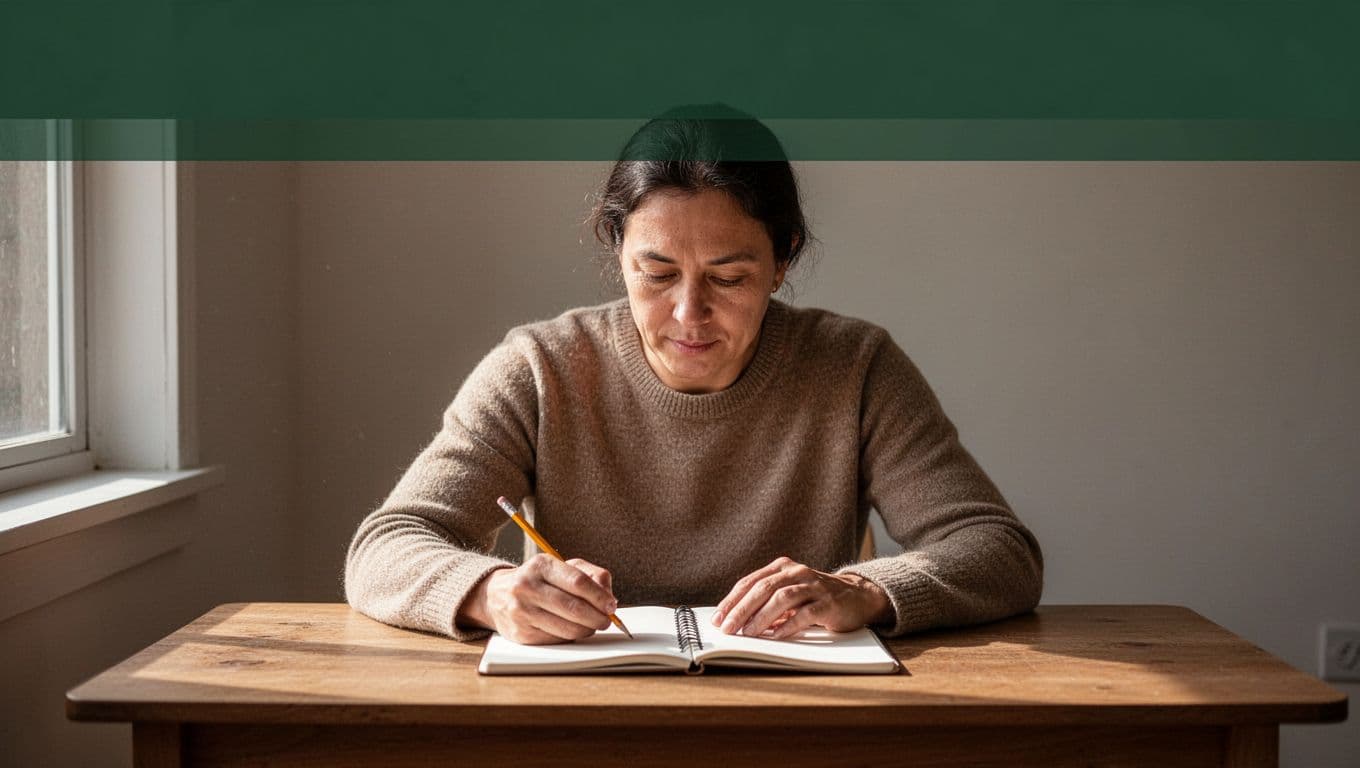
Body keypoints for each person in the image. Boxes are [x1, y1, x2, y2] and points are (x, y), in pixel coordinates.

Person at [344, 106, 1043, 645]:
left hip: (793, 712)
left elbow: (999, 551)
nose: (689, 313)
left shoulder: (854, 367)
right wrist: (492, 592)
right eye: (657, 274)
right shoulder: (539, 368)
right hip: (579, 714)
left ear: (784, 257)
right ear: (617, 250)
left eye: (729, 277)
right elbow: (385, 546)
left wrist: (863, 589)